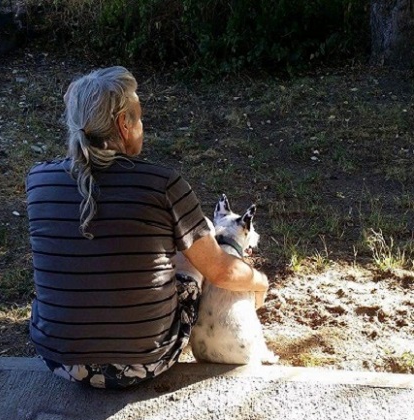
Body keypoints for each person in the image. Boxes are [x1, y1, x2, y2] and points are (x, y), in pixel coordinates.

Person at [26, 66, 269, 389]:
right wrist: (259, 282)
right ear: (124, 125)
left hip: (60, 360)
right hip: (144, 362)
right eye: (139, 118)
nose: (142, 126)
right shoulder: (163, 184)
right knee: (199, 238)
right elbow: (221, 272)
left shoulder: (37, 181)